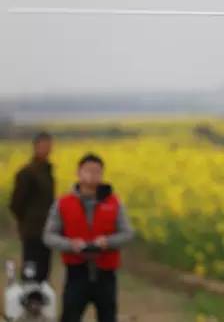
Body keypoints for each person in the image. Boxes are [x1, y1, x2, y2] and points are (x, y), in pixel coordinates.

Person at [43, 153, 134, 322]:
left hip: (106, 272)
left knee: (108, 317)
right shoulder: (63, 202)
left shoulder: (114, 202)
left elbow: (128, 233)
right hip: (76, 272)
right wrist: (70, 244)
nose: (93, 175)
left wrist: (108, 242)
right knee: (70, 316)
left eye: (97, 171)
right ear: (78, 173)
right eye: (88, 171)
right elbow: (48, 236)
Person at [9, 131, 55, 282]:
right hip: (32, 230)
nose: (47, 149)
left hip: (47, 229)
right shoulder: (27, 173)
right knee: (31, 271)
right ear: (35, 147)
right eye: (44, 145)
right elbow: (16, 203)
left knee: (44, 270)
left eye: (49, 146)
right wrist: (27, 221)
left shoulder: (48, 171)